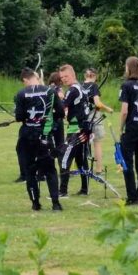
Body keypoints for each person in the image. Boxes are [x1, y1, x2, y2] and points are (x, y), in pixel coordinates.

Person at [14, 68, 64, 210]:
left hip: (27, 136)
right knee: (50, 170)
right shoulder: (50, 91)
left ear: (25, 80)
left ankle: (35, 203)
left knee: (30, 170)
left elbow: (18, 116)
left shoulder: (21, 93)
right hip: (45, 136)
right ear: (36, 77)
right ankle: (56, 204)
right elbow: (60, 112)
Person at [118, 56, 138, 205]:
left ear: (128, 68)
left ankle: (132, 197)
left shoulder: (126, 86)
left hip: (130, 126)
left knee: (127, 162)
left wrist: (121, 127)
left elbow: (124, 110)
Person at [58, 64, 91, 197]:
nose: (64, 79)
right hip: (84, 128)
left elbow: (62, 108)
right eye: (62, 77)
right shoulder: (82, 88)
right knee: (81, 160)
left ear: (73, 75)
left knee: (65, 158)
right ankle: (84, 189)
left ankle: (63, 191)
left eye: (66, 76)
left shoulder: (72, 90)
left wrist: (59, 98)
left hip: (75, 129)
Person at [82, 68, 113, 175]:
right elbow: (98, 104)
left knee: (83, 144)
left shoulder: (80, 86)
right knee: (97, 143)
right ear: (94, 76)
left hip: (83, 118)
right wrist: (108, 109)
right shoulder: (94, 86)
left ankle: (83, 168)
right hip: (94, 118)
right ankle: (99, 169)